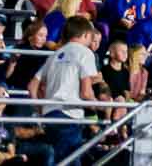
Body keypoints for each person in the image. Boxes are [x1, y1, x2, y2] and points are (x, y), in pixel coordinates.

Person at [30, 14, 101, 157]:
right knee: (70, 160)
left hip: (49, 114)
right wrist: (99, 106)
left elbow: (32, 86)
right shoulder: (85, 53)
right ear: (86, 34)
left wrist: (40, 109)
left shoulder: (55, 54)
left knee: (57, 158)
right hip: (69, 115)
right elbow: (86, 93)